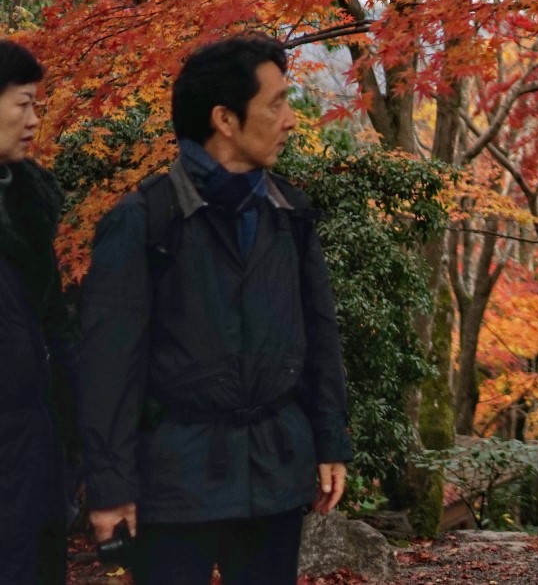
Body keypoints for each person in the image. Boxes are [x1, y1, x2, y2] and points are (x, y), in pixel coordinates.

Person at [78, 35, 352, 585]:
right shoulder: (144, 221)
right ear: (225, 119)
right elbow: (109, 368)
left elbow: (319, 336)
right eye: (275, 103)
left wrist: (330, 442)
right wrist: (111, 489)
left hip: (273, 471)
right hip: (176, 479)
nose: (291, 120)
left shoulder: (289, 213)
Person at [0, 40, 69, 585]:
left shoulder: (28, 202)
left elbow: (54, 329)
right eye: (24, 103)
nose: (34, 119)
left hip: (34, 452)